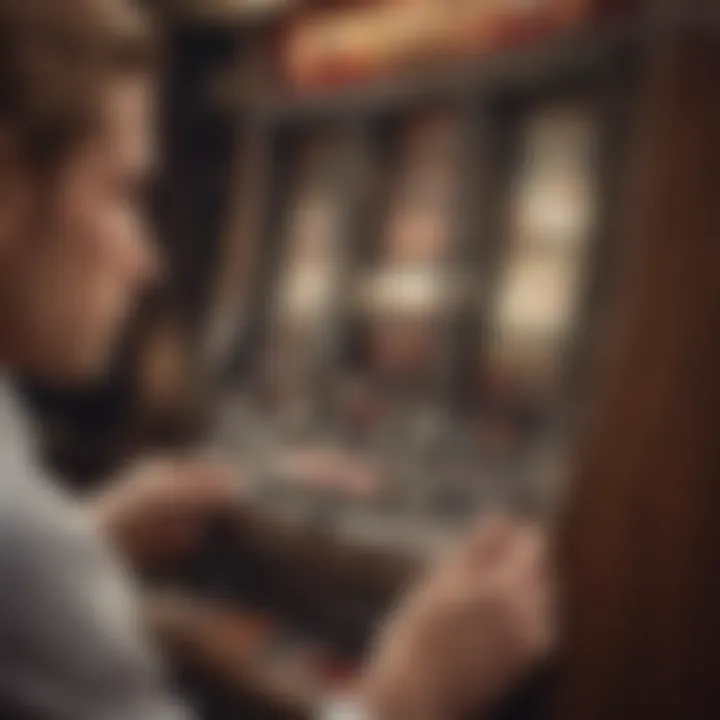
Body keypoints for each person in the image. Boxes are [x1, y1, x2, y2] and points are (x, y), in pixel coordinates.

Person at [0, 0, 553, 718]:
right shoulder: (26, 544)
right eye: (122, 192)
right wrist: (406, 694)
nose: (149, 261)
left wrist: (93, 535)